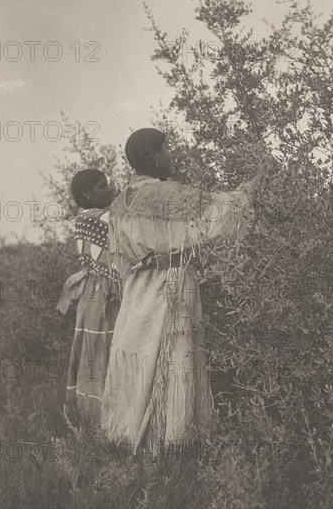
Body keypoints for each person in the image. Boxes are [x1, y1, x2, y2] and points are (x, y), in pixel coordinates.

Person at [100, 128, 270, 455]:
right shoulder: (170, 195)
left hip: (136, 291)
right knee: (175, 357)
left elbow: (117, 259)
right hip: (172, 284)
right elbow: (219, 211)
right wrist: (252, 187)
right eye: (167, 150)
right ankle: (174, 443)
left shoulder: (119, 204)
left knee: (139, 357)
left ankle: (131, 439)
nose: (170, 157)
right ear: (153, 157)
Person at [57, 169, 120, 428]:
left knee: (95, 352)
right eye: (101, 187)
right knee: (106, 349)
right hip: (105, 294)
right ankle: (108, 421)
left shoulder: (85, 219)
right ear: (87, 193)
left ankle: (95, 420)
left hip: (92, 294)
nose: (108, 190)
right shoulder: (102, 219)